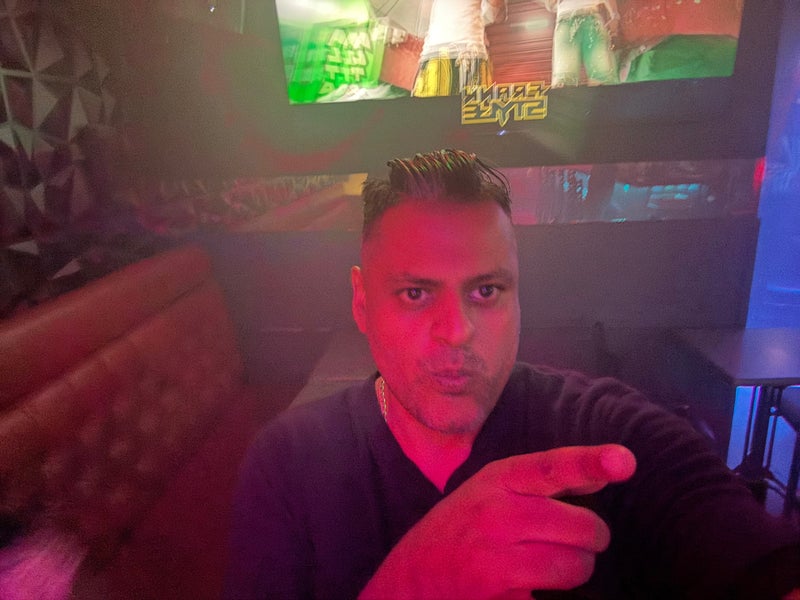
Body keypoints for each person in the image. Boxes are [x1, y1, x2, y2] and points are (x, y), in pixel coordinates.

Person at [223, 149, 800, 599]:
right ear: (361, 303)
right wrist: (413, 584)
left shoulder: (609, 436)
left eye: (486, 291)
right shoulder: (288, 465)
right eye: (416, 293)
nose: (457, 330)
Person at [411, 0, 507, 97]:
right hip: (466, 51)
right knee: (470, 104)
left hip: (437, 52)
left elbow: (424, 12)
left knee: (429, 105)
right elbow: (495, 10)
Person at [543, 0, 620, 87]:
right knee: (565, 78)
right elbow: (550, 4)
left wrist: (614, 15)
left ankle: (603, 90)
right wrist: (614, 15)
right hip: (573, 18)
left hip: (583, 17)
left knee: (601, 73)